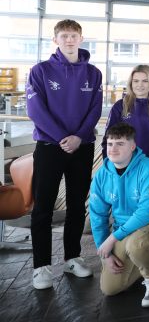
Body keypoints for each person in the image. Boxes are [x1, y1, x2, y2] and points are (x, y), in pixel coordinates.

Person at [26, 19, 103, 289]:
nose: (69, 40)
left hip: (82, 147)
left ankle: (73, 258)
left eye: (73, 35)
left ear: (81, 39)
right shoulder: (40, 71)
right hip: (49, 147)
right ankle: (41, 266)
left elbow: (95, 109)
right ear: (56, 40)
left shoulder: (93, 73)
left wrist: (79, 137)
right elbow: (35, 110)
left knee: (75, 206)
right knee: (43, 207)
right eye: (64, 36)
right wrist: (62, 138)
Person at [90, 123, 149, 307]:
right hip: (123, 226)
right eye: (110, 143)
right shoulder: (101, 175)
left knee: (136, 245)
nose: (113, 149)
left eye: (120, 144)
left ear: (132, 146)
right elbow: (97, 215)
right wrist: (104, 251)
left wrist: (113, 238)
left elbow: (147, 212)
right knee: (110, 288)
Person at [102, 65, 149, 166]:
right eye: (136, 81)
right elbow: (108, 137)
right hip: (124, 162)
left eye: (145, 81)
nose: (140, 85)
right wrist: (108, 163)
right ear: (131, 83)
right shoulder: (120, 106)